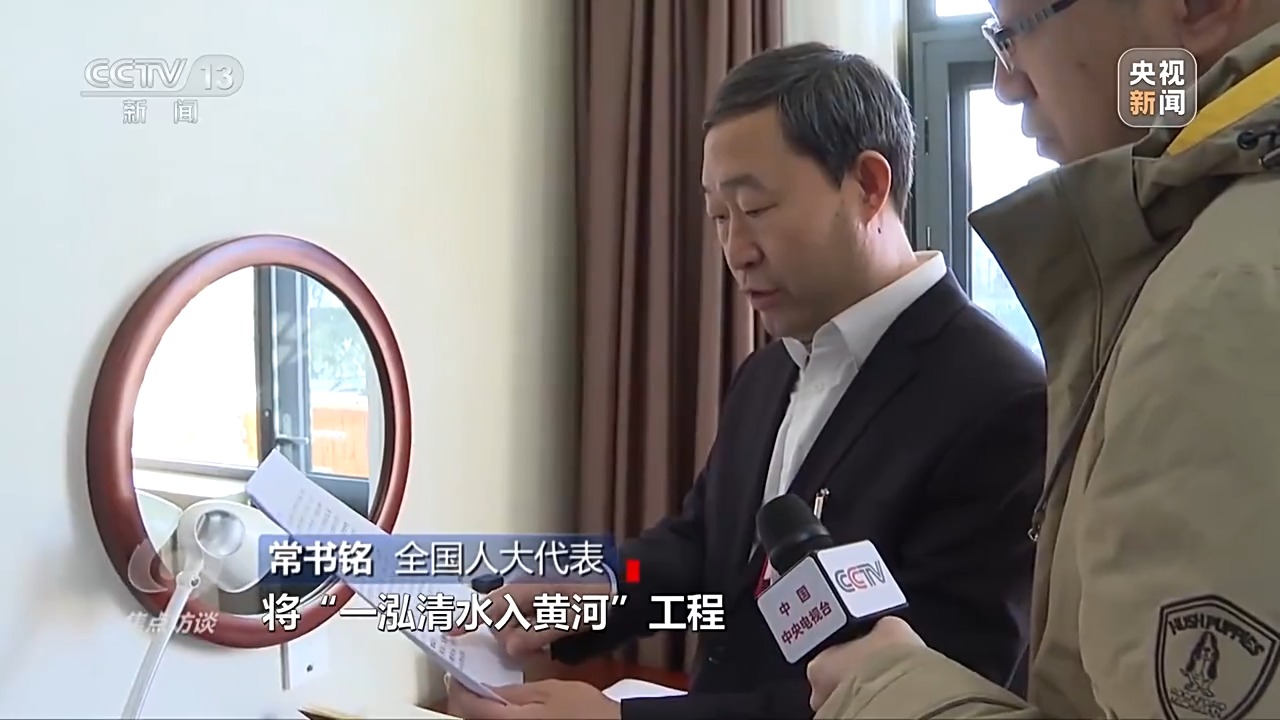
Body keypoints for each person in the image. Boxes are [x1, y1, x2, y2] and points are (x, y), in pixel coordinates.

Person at [447, 43, 1047, 720]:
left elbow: (930, 698)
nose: (735, 251)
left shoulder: (1003, 403)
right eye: (719, 217)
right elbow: (703, 545)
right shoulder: (769, 371)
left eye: (756, 208)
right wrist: (599, 589)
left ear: (868, 186)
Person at [807, 1, 1280, 718]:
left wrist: (884, 688)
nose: (1006, 85)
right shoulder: (1209, 263)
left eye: (1012, 34)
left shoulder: (1224, 299)